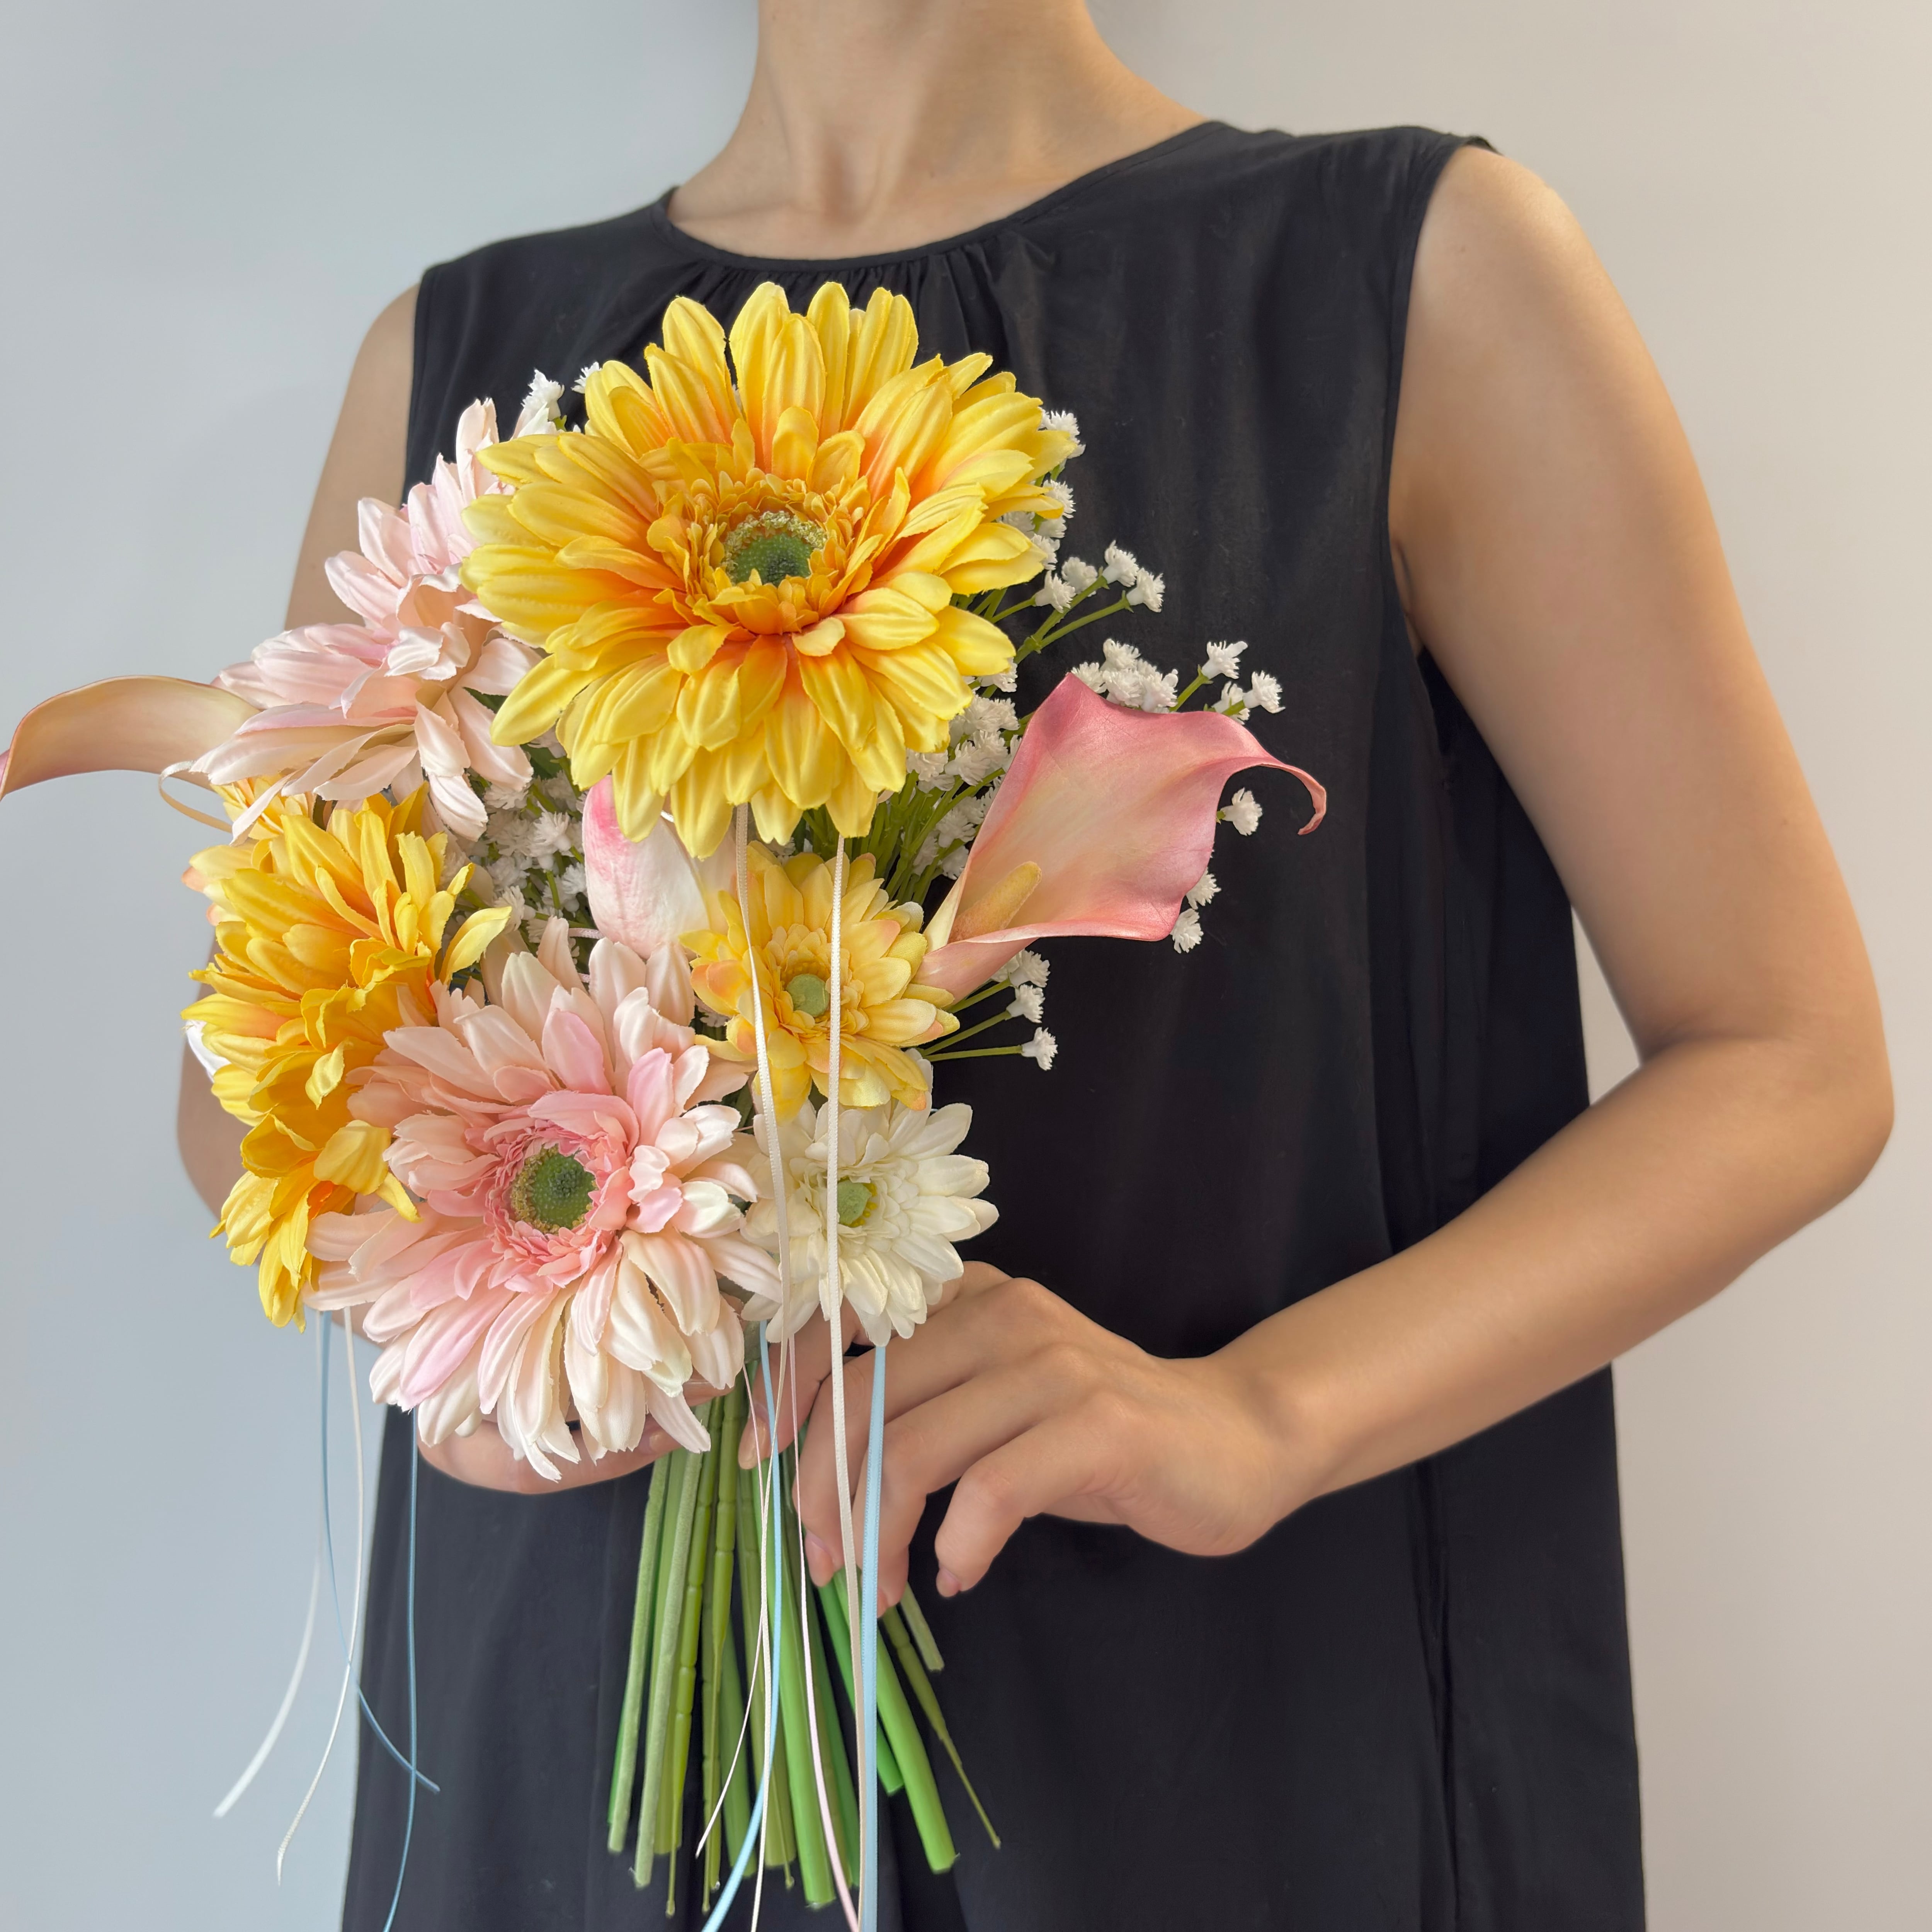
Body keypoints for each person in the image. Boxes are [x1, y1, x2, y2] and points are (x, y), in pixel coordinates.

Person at [178, 2, 1891, 1926]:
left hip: (1218, 1746)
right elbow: (259, 1080)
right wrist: (472, 1316)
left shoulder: (1406, 278)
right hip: (581, 1754)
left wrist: (1261, 1412)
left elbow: (1783, 1055)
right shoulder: (456, 368)